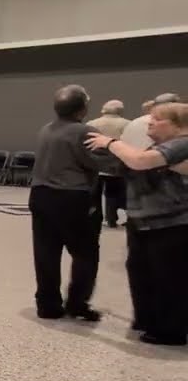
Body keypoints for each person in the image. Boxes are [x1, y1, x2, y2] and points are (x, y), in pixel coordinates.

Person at [85, 102, 188, 346]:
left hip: (170, 223)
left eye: (157, 119)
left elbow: (140, 161)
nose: (150, 122)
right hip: (144, 221)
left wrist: (111, 143)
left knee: (168, 277)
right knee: (141, 271)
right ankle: (147, 320)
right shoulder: (160, 146)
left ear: (177, 125)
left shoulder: (182, 143)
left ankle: (170, 330)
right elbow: (132, 165)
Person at [29, 85, 109, 322]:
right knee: (85, 253)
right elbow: (102, 162)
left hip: (40, 195)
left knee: (46, 252)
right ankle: (77, 303)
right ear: (83, 109)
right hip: (71, 197)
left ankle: (47, 305)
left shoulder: (45, 129)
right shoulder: (85, 132)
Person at [88, 100, 131, 227]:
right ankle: (111, 218)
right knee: (113, 192)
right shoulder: (127, 124)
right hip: (116, 163)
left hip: (95, 163)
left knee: (95, 193)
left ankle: (95, 218)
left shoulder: (91, 124)